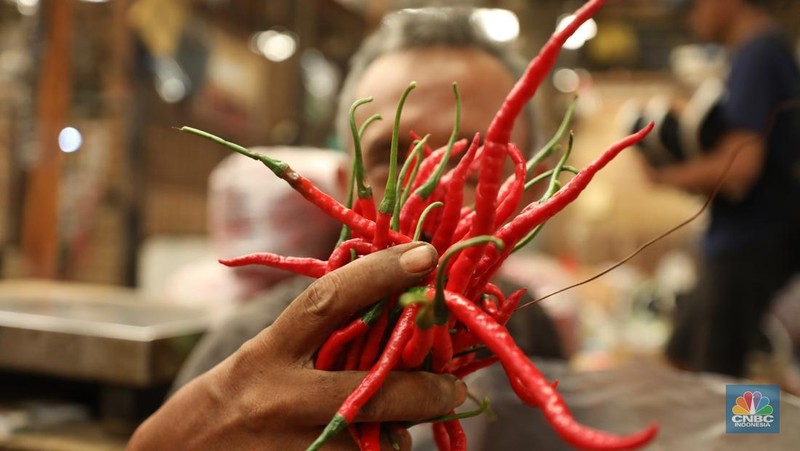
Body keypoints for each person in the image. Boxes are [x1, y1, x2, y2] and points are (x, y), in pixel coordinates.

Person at [128, 6, 569, 448]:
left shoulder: (528, 324)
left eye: (475, 166)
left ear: (529, 195)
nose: (432, 193)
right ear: (345, 189)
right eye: (391, 158)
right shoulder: (256, 350)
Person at [638, 0, 800, 378]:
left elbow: (740, 168)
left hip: (750, 246)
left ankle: (749, 437)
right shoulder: (762, 52)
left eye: (694, 6)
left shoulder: (758, 55)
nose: (691, 18)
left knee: (725, 382)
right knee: (683, 358)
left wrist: (664, 177)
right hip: (747, 245)